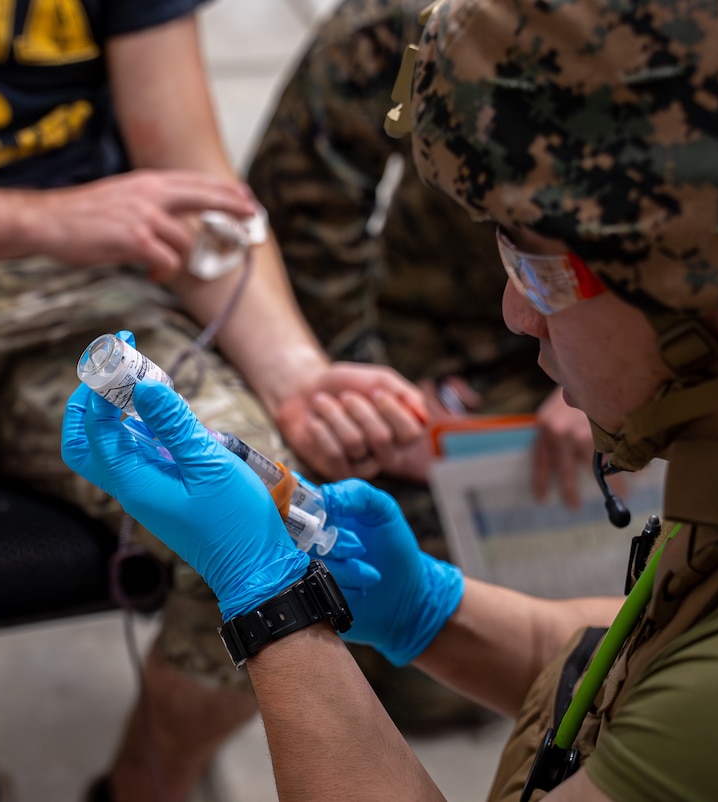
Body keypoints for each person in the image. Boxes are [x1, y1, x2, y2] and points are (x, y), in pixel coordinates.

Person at [62, 0, 718, 799]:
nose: (515, 311)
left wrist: (272, 605)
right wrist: (430, 610)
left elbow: (709, 704)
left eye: (540, 270)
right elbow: (642, 660)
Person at [0, 2, 431, 801]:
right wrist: (48, 216)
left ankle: (146, 785)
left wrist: (295, 373)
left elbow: (192, 178)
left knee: (295, 540)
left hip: (86, 281)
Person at [246, 0, 598, 731]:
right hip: (433, 334)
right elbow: (299, 215)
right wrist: (374, 388)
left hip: (649, 337)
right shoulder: (408, 26)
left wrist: (624, 376)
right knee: (410, 664)